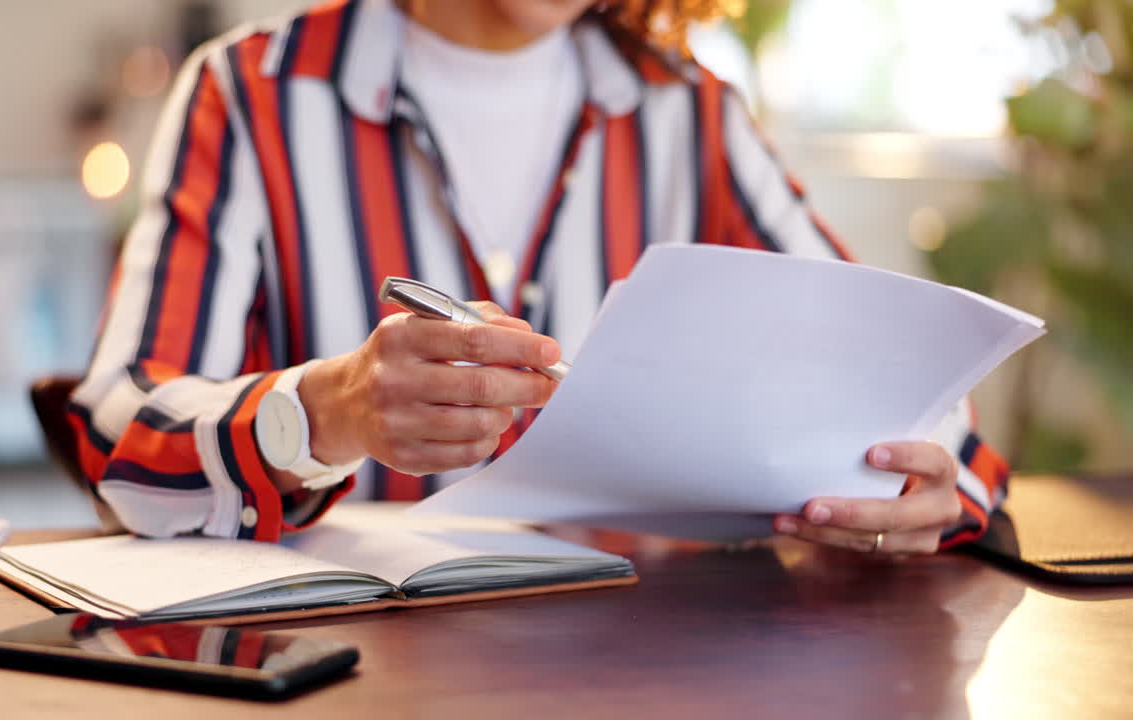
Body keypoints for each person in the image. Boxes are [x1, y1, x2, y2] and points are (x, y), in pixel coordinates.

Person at [67, 0, 1007, 555]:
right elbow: (120, 426)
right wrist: (324, 412)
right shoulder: (252, 93)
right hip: (353, 673)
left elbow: (911, 382)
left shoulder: (691, 115)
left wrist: (933, 489)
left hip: (637, 667)